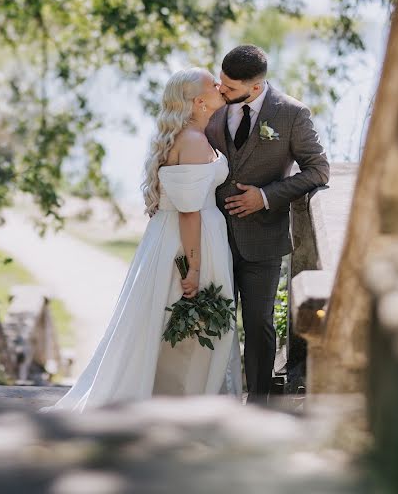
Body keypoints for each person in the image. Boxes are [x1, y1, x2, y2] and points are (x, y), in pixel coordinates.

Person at [43, 67, 241, 413]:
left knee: (171, 325)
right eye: (214, 85)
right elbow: (189, 212)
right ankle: (182, 404)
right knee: (186, 326)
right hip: (187, 241)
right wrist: (193, 267)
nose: (220, 87)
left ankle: (176, 400)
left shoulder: (192, 134)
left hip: (181, 235)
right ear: (198, 102)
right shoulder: (192, 141)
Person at [205, 45, 330, 405]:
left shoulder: (292, 114)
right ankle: (208, 397)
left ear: (255, 88)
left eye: (229, 88)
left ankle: (257, 404)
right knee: (211, 319)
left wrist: (265, 196)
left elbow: (318, 170)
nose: (220, 91)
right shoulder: (215, 106)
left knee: (258, 323)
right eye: (220, 82)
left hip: (263, 238)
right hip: (213, 233)